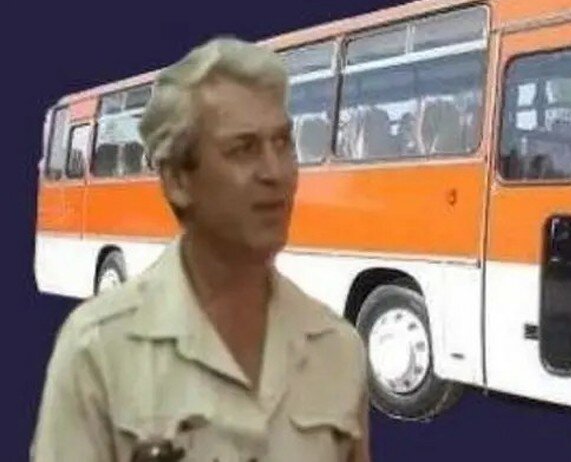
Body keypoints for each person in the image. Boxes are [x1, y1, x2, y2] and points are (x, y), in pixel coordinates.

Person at [31, 37, 371, 462]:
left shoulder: (338, 349)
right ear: (178, 180)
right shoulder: (96, 351)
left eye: (284, 143)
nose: (276, 172)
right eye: (243, 149)